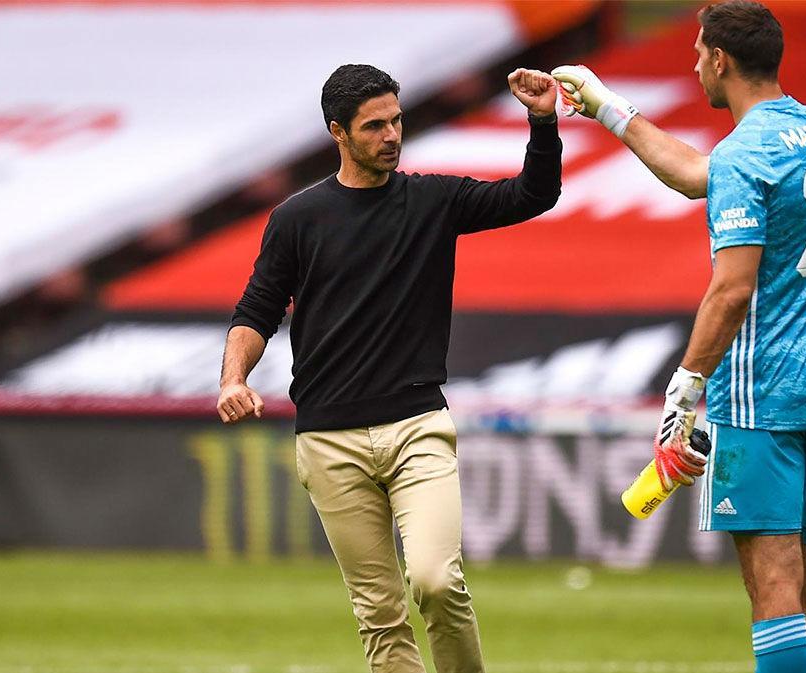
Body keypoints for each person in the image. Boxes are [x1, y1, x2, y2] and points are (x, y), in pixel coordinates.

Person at [216, 64, 561, 673]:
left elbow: (533, 194)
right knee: (379, 616)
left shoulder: (432, 200)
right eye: (375, 126)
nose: (392, 135)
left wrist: (541, 120)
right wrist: (233, 379)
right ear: (338, 133)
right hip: (328, 440)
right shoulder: (298, 218)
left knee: (434, 580)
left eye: (397, 120)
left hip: (417, 427)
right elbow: (256, 311)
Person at [554, 2, 806, 671]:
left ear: (720, 59)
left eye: (698, 53)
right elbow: (698, 173)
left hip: (760, 395)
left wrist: (683, 386)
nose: (694, 65)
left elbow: (732, 289)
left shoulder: (744, 156)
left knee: (773, 584)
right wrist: (605, 104)